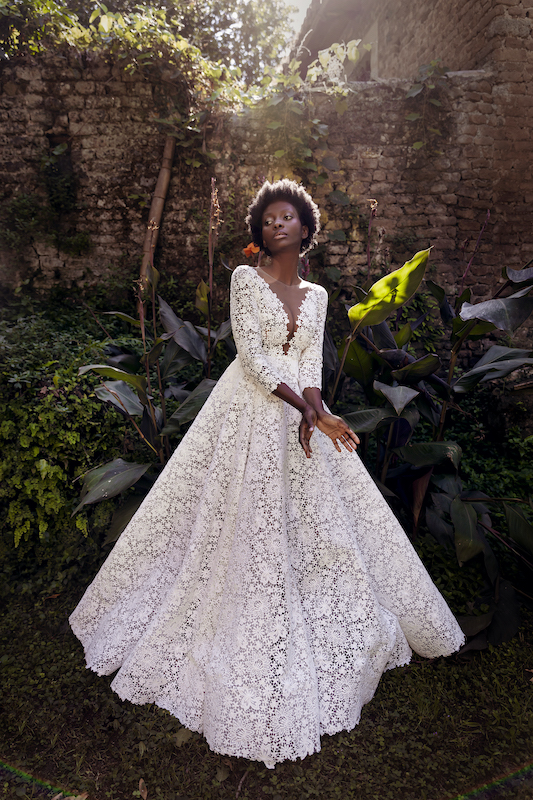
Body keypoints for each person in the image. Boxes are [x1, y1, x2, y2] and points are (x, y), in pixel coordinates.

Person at [70, 179, 465, 768]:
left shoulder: (320, 295)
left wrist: (320, 411)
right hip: (246, 412)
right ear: (261, 232)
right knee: (235, 522)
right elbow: (254, 360)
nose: (276, 225)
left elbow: (308, 363)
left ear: (305, 229)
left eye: (287, 217)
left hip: (296, 415)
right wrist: (309, 409)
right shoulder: (245, 279)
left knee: (321, 522)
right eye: (268, 219)